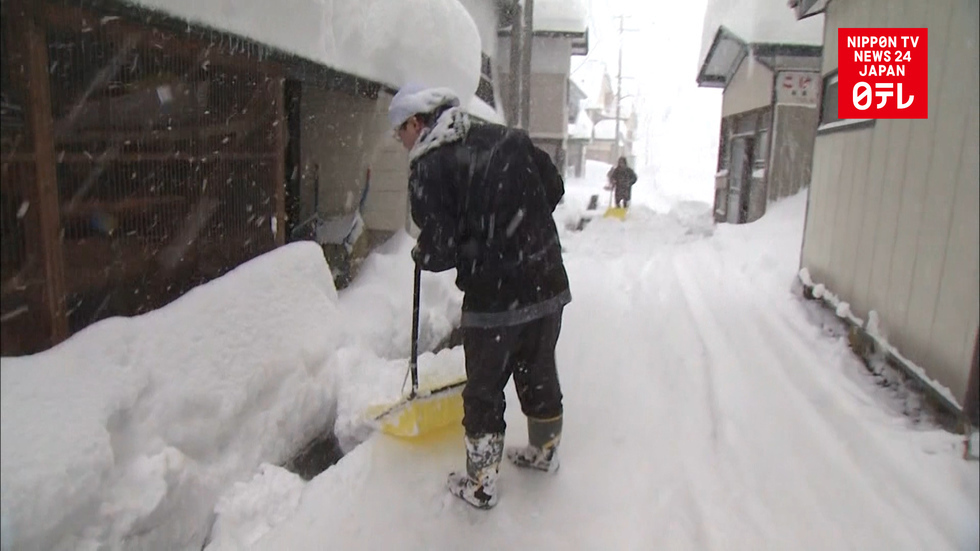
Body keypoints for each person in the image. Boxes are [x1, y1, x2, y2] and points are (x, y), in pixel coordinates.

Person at [388, 84, 570, 509]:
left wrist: (425, 252)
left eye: (400, 132)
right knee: (537, 368)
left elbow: (441, 248)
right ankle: (545, 452)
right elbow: (554, 187)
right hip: (547, 282)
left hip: (494, 298)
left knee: (484, 390)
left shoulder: (430, 165)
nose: (401, 143)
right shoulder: (506, 136)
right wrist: (523, 229)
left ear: (417, 122)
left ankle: (483, 484)